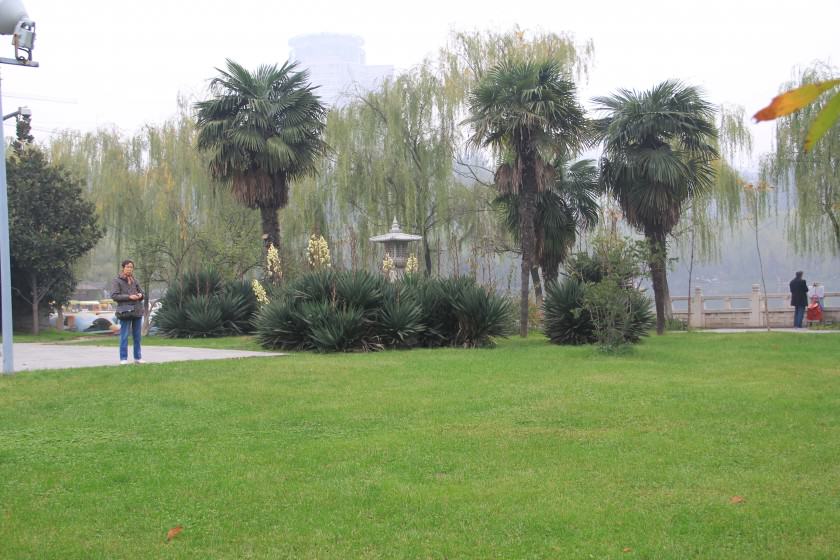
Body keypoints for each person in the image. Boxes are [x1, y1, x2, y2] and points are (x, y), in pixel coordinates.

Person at [111, 259, 145, 365]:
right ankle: (123, 358)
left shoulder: (135, 280)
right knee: (124, 336)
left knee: (137, 336)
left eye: (131, 267)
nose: (129, 269)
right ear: (123, 268)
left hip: (137, 311)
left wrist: (140, 295)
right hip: (125, 312)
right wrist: (129, 297)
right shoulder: (117, 281)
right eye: (127, 267)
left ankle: (138, 358)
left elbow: (142, 293)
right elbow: (114, 296)